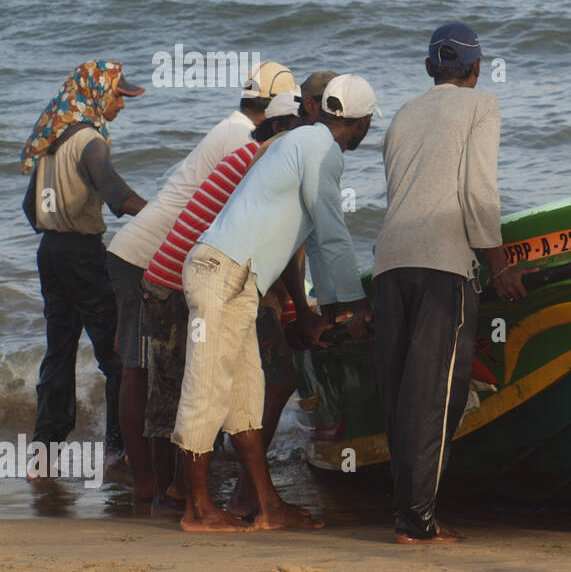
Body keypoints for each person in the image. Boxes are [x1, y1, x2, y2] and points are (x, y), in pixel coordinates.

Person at [170, 73, 379, 532]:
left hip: (235, 277)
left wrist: (328, 311)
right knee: (206, 391)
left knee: (246, 399)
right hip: (225, 272)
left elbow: (319, 240)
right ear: (361, 123)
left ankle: (268, 507)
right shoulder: (321, 150)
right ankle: (198, 509)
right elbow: (332, 232)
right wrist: (358, 306)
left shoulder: (299, 140)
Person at [104, 60, 298, 505]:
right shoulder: (245, 139)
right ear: (277, 111)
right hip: (146, 258)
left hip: (150, 254)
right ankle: (148, 488)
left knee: (151, 372)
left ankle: (164, 484)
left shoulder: (230, 128)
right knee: (140, 371)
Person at [373, 23, 529, 544]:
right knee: (435, 396)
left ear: (427, 70)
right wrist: (501, 267)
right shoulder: (480, 106)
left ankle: (407, 513)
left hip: (391, 263)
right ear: (477, 69)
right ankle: (417, 522)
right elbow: (478, 191)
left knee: (401, 395)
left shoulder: (400, 116)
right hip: (443, 265)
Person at [21, 61, 148, 466]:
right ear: (96, 94)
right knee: (115, 355)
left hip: (50, 255)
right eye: (118, 96)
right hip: (82, 255)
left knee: (58, 352)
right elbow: (115, 193)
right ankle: (117, 448)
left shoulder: (51, 141)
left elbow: (29, 207)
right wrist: (163, 215)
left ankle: (43, 455)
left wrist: (56, 218)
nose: (121, 106)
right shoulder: (91, 141)